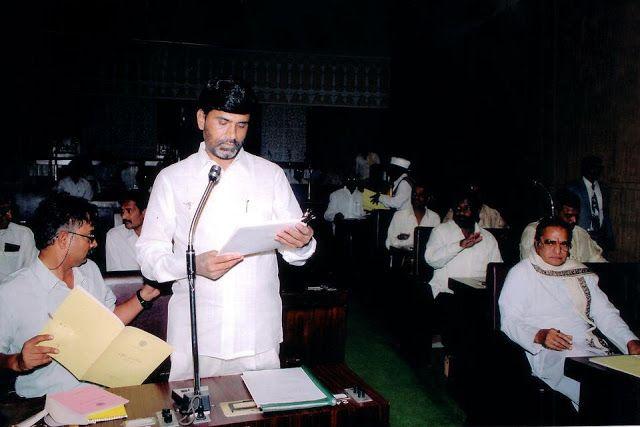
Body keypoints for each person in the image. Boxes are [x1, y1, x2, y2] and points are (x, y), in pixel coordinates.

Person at [136, 78, 316, 381]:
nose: (232, 135)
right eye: (223, 122)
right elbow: (148, 255)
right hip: (197, 336)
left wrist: (301, 244)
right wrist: (193, 265)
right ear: (201, 118)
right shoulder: (172, 179)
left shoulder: (269, 175)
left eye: (241, 125)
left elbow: (295, 253)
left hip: (257, 335)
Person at [0, 194, 159, 397]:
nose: (94, 244)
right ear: (65, 239)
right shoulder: (11, 291)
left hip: (99, 394)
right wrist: (17, 362)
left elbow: (109, 322)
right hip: (42, 401)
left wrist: (145, 295)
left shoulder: (89, 270)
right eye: (89, 237)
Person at [500, 217, 639, 408]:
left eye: (564, 244)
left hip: (590, 348)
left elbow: (605, 313)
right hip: (548, 352)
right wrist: (540, 335)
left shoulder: (577, 272)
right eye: (551, 242)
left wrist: (629, 341)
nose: (558, 250)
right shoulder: (521, 273)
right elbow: (509, 321)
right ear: (537, 243)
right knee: (601, 391)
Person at [425, 191, 503, 297]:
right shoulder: (440, 231)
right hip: (446, 294)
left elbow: (497, 273)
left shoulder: (488, 238)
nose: (461, 213)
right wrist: (459, 245)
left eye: (466, 209)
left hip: (476, 297)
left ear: (477, 210)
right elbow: (431, 260)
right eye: (457, 209)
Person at [520, 189, 605, 262]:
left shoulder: (580, 234)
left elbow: (597, 260)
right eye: (568, 215)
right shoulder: (533, 231)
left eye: (576, 216)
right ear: (555, 213)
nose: (574, 220)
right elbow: (531, 267)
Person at [567, 156, 614, 250]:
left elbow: (605, 213)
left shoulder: (604, 188)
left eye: (599, 167)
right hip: (580, 237)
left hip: (600, 237)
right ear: (585, 168)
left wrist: (609, 236)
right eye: (593, 167)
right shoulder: (573, 188)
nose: (596, 170)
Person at [385, 184, 440, 250]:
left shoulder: (434, 218)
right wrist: (406, 244)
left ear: (427, 198)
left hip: (425, 258)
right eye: (414, 194)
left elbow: (437, 244)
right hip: (404, 257)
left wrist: (405, 239)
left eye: (421, 195)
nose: (416, 197)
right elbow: (389, 243)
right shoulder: (399, 216)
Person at [105, 190, 148, 271]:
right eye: (123, 211)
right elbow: (114, 276)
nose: (124, 216)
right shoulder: (115, 236)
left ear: (144, 212)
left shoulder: (160, 235)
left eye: (129, 211)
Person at [0, 194, 38, 281]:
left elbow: (31, 270)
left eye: (10, 211)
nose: (10, 216)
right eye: (3, 212)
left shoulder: (23, 234)